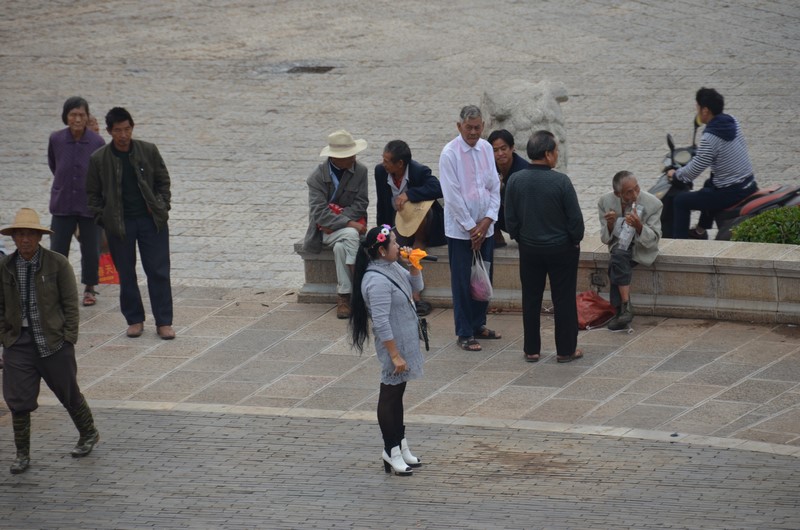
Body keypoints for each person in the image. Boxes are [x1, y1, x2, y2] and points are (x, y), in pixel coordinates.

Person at [0, 208, 99, 475]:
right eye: (20, 234)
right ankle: (22, 454)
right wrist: (5, 337)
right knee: (17, 399)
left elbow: (70, 304)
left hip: (53, 340)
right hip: (17, 342)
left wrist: (69, 338)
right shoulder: (5, 266)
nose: (25, 239)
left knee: (68, 392)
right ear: (13, 238)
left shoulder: (57, 263)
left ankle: (88, 432)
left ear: (39, 237)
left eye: (30, 234)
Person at [86, 107, 175, 340]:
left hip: (151, 221)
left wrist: (162, 206)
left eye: (127, 129)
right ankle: (134, 319)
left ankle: (164, 322)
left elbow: (163, 181)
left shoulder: (148, 150)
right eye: (118, 130)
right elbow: (92, 195)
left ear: (132, 128)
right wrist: (104, 218)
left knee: (158, 271)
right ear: (109, 131)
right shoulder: (99, 159)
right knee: (126, 273)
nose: (123, 135)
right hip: (119, 224)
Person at [349, 225, 424, 476]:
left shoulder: (392, 267)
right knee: (389, 395)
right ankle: (390, 450)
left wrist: (414, 265)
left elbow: (415, 288)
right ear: (381, 250)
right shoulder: (376, 280)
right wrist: (394, 354)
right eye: (393, 242)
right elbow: (381, 322)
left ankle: (401, 445)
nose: (398, 245)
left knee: (398, 393)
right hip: (394, 345)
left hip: (405, 340)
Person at [505, 130, 585, 363]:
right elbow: (575, 221)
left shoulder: (515, 180)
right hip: (561, 249)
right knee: (564, 299)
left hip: (529, 249)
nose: (557, 155)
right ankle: (566, 350)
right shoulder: (561, 181)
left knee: (531, 299)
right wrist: (574, 239)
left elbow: (510, 219)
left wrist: (521, 237)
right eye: (556, 151)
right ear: (548, 154)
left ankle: (531, 349)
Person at [439, 105, 502, 352]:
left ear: (483, 126)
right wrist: (471, 228)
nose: (473, 132)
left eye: (477, 127)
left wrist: (487, 221)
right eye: (469, 128)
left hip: (485, 227)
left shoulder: (486, 148)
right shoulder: (450, 154)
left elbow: (494, 187)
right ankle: (464, 332)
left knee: (483, 277)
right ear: (459, 126)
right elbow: (452, 196)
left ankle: (478, 323)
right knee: (463, 281)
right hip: (460, 231)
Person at [667, 88, 757, 239]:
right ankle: (700, 231)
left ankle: (680, 244)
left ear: (705, 110)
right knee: (709, 184)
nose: (696, 111)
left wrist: (675, 175)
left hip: (731, 192)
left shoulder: (710, 137)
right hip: (748, 182)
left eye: (697, 107)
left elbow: (693, 171)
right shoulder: (732, 121)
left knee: (681, 201)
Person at [303, 130, 369, 319]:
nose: (354, 158)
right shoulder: (316, 177)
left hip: (342, 229)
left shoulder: (361, 171)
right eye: (349, 155)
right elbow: (319, 212)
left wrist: (342, 223)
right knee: (351, 234)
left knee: (342, 246)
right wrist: (349, 223)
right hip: (323, 231)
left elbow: (361, 203)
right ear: (336, 158)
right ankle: (359, 285)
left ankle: (344, 296)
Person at [375, 139, 445, 316]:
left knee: (419, 229)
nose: (383, 164)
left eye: (387, 161)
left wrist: (409, 194)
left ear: (400, 163)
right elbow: (382, 203)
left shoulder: (419, 171)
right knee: (392, 248)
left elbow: (437, 188)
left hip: (424, 222)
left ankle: (415, 293)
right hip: (399, 220)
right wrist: (382, 229)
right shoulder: (380, 172)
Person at [47, 96, 106, 306]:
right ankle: (57, 289)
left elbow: (101, 172)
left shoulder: (97, 142)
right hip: (62, 203)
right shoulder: (56, 139)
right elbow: (54, 164)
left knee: (91, 250)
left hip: (89, 205)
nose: (78, 119)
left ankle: (90, 288)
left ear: (87, 117)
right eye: (73, 115)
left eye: (82, 115)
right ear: (66, 117)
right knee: (57, 249)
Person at [598, 171, 662, 330]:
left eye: (637, 188)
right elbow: (605, 239)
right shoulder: (605, 202)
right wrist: (610, 225)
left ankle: (621, 309)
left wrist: (639, 226)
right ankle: (624, 308)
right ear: (618, 193)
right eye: (628, 192)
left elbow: (654, 239)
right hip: (619, 245)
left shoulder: (654, 204)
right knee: (618, 255)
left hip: (641, 247)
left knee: (617, 259)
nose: (634, 194)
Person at [487, 129, 530, 248]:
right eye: (495, 150)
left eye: (503, 148)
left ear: (512, 148)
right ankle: (495, 233)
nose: (500, 153)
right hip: (499, 216)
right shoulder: (488, 168)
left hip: (520, 218)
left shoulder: (524, 170)